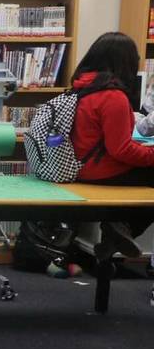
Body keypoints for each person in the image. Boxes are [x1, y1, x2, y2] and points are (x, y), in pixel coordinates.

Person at [69, 32, 154, 254]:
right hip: (101, 171)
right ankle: (122, 229)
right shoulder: (112, 96)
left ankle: (115, 234)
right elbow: (121, 150)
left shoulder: (81, 88)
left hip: (79, 167)